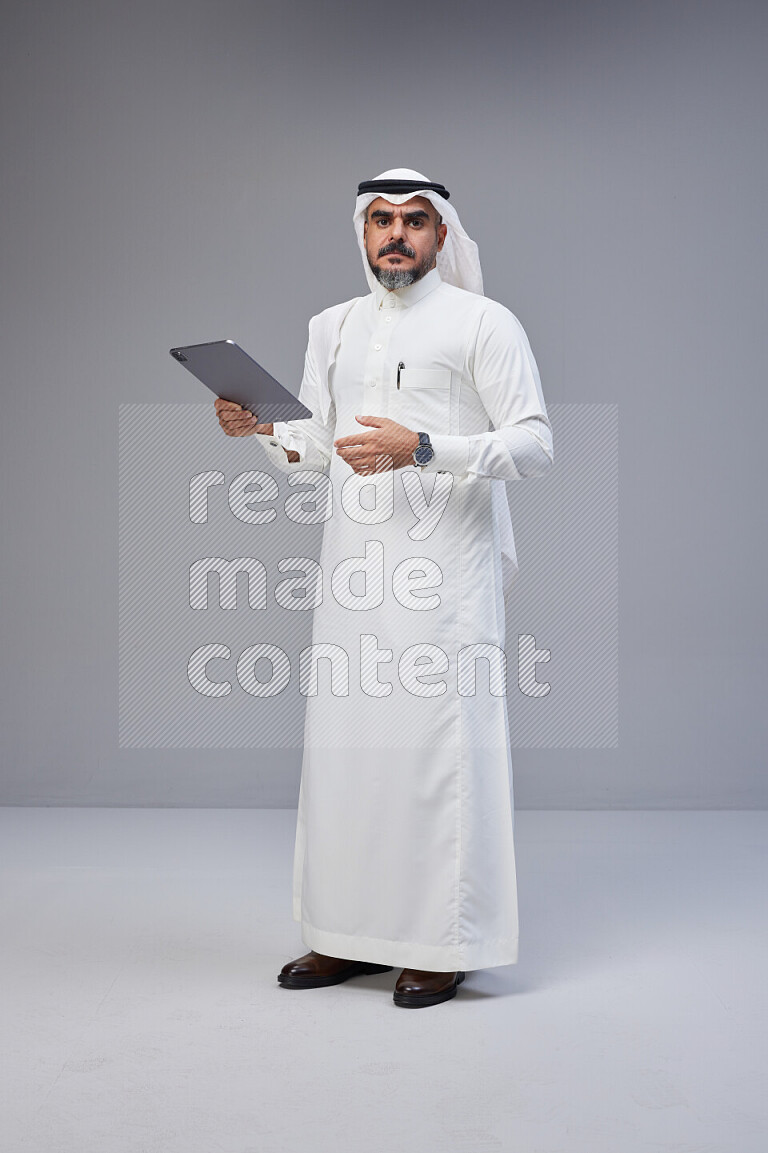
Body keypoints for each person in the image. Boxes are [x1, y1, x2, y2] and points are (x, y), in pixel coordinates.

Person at [215, 168, 554, 1008]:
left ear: (441, 235)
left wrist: (427, 446)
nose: (395, 234)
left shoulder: (484, 322)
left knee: (437, 757)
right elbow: (318, 449)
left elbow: (536, 442)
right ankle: (342, 935)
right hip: (353, 576)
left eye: (413, 220)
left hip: (446, 576)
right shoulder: (330, 327)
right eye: (380, 221)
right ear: (362, 235)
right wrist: (262, 427)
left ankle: (442, 942)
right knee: (347, 756)